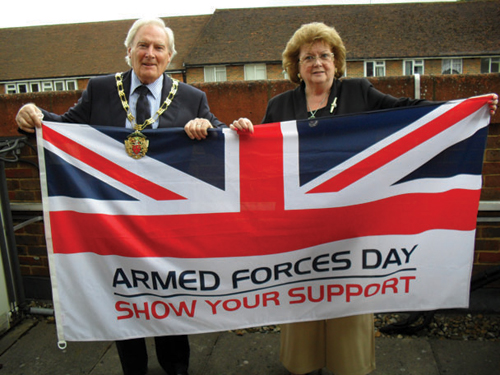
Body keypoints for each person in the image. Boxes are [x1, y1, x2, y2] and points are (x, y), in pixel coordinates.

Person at [231, 22, 498, 375]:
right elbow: (260, 161)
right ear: (296, 66)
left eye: (324, 55)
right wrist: (241, 132)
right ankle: (303, 366)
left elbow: (411, 111)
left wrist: (464, 109)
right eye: (307, 56)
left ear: (337, 61)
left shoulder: (358, 91)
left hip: (351, 227)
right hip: (300, 230)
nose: (317, 63)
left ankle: (348, 366)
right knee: (302, 300)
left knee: (349, 305)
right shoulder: (280, 105)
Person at [16, 17, 225, 375]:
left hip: (167, 223)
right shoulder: (100, 89)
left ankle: (177, 367)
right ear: (128, 51)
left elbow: (223, 141)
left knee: (170, 303)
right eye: (142, 45)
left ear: (170, 55)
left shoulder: (192, 97)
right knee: (124, 299)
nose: (150, 53)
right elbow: (66, 129)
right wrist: (35, 117)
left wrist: (207, 127)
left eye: (159, 47)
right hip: (116, 220)